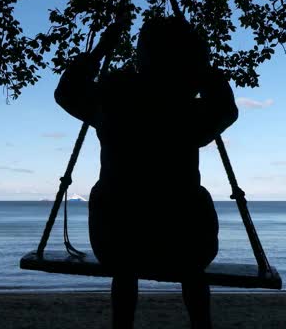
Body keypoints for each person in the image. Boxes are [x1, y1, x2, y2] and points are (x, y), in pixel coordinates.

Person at [54, 16, 238, 329]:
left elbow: (66, 92)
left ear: (142, 53)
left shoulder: (113, 100)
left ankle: (122, 325)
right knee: (193, 217)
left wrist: (101, 50)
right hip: (183, 243)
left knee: (122, 252)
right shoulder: (184, 108)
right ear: (183, 58)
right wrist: (202, 65)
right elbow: (226, 109)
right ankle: (201, 324)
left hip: (116, 241)